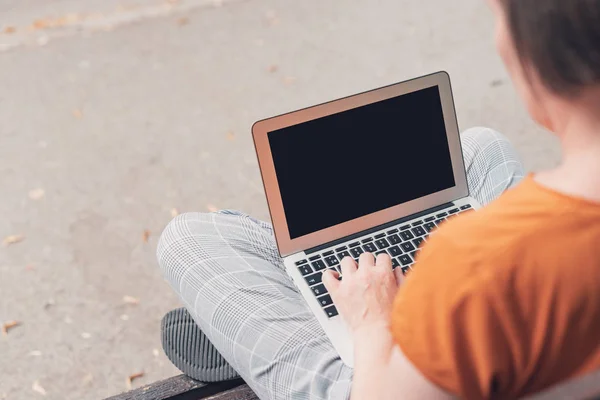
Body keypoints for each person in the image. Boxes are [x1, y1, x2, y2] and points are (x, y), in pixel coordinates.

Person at [157, 0, 600, 398]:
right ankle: (263, 317)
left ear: (534, 57)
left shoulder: (475, 258)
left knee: (189, 240)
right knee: (480, 147)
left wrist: (371, 323)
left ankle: (263, 325)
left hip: (381, 381)